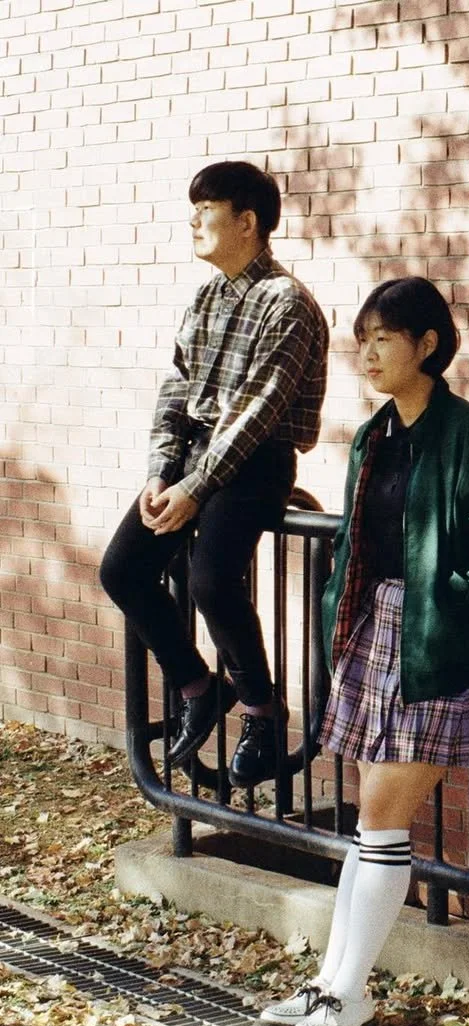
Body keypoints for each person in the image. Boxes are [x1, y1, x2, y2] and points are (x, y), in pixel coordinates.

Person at [253, 277, 469, 1026]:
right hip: (375, 634)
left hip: (435, 642)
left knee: (379, 816)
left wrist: (454, 602)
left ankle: (347, 992)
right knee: (368, 821)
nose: (369, 352)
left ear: (429, 345)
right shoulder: (378, 432)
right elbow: (358, 537)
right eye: (364, 338)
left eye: (385, 337)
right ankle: (335, 983)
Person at [99, 160, 328, 788]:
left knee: (210, 580)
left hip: (256, 461)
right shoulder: (205, 296)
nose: (194, 221)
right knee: (122, 569)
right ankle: (199, 687)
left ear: (248, 222)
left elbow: (257, 410)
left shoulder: (289, 304)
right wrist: (159, 472)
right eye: (193, 210)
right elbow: (177, 388)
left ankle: (261, 709)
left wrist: (195, 490)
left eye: (207, 210)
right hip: (192, 459)